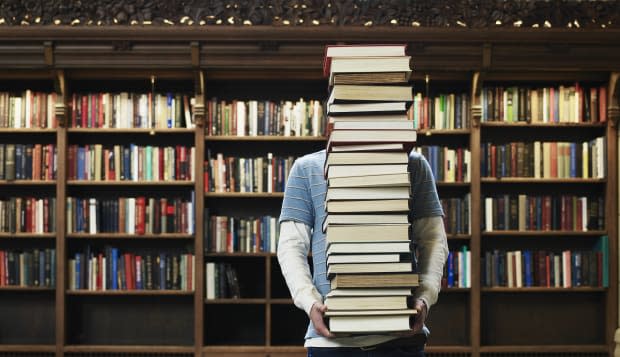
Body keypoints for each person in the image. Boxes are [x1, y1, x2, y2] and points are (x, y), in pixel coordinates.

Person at [277, 148, 448, 357]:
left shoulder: (414, 164)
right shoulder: (306, 168)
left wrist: (424, 298)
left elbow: (433, 241)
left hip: (400, 339)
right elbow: (291, 246)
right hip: (331, 341)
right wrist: (310, 302)